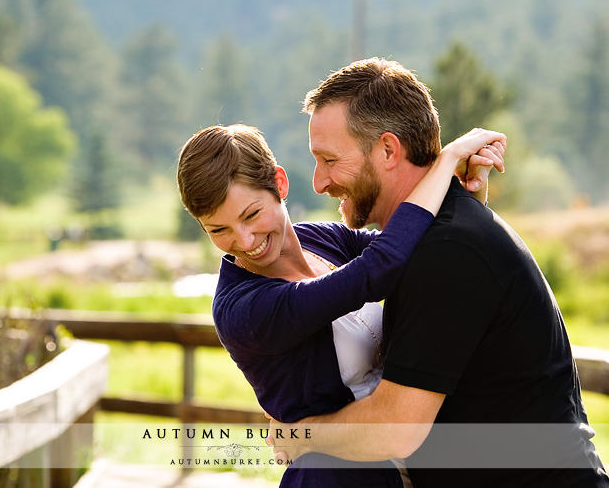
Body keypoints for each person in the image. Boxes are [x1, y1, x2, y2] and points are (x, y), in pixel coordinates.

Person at [267, 57, 609, 488]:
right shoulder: (442, 233)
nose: (319, 182)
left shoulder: (449, 249)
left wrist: (299, 437)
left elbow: (396, 428)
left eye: (330, 160)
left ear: (388, 151)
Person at [176, 122, 505, 487]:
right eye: (217, 230)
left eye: (251, 214)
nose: (244, 239)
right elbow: (380, 267)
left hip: (420, 461)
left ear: (279, 184)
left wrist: (470, 191)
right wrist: (446, 162)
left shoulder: (318, 239)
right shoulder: (244, 310)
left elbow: (418, 250)